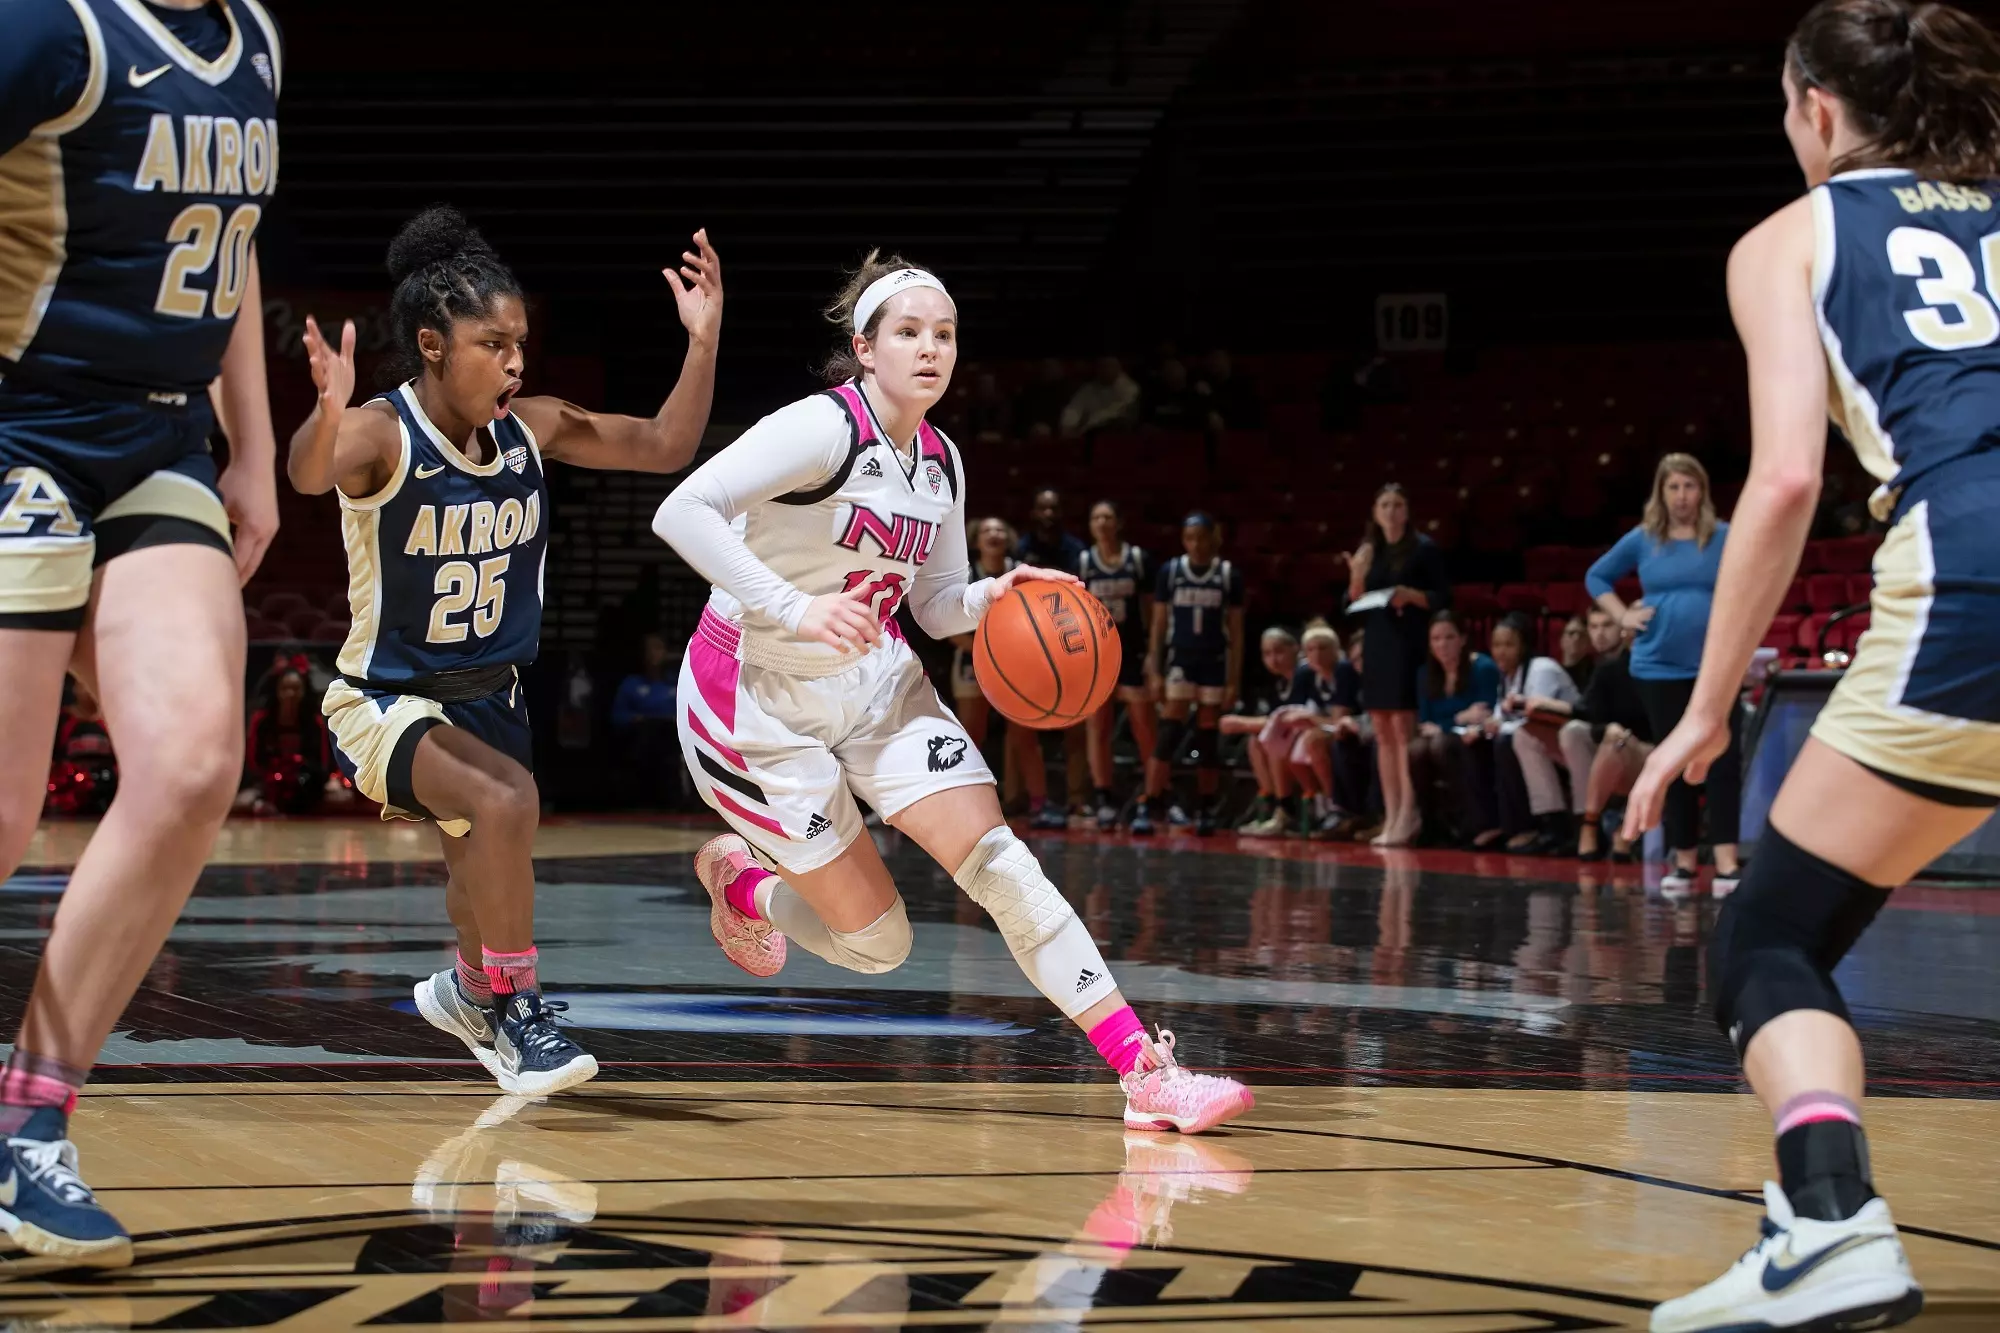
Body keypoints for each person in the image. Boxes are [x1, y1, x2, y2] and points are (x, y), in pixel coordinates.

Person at [652, 251, 1252, 1134]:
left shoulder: (939, 461)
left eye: (944, 334)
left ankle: (1144, 1070)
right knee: (878, 945)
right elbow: (683, 510)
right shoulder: (822, 428)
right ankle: (743, 885)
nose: (930, 349)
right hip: (751, 697)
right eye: (908, 332)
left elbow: (932, 607)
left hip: (873, 678)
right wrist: (793, 605)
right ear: (865, 346)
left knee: (1004, 865)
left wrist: (993, 596)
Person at [1633, 5, 2000, 1329]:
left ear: (1816, 109)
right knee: (1813, 923)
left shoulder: (1792, 238)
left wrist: (1703, 708)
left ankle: (1835, 1218)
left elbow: (1786, 478)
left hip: (1972, 575)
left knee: (1766, 936)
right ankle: (1808, 1225)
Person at [289, 207, 723, 1099]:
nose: (516, 359)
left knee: (477, 878)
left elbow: (667, 444)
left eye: (520, 341)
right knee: (503, 799)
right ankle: (521, 1011)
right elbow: (306, 472)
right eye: (493, 342)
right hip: (387, 700)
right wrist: (326, 411)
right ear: (433, 346)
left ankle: (470, 988)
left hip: (495, 698)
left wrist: (703, 343)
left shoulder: (532, 427)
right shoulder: (381, 432)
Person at [0, 0, 284, 1264]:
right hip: (22, 425)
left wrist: (259, 450)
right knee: (4, 819)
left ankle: (30, 1132)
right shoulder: (43, 26)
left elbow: (229, 245)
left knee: (189, 765)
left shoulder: (256, 37)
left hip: (161, 435)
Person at [1588, 454, 1743, 891]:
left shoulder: (1723, 536)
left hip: (1715, 663)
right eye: (1673, 487)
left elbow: (1755, 578)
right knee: (1674, 760)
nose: (1681, 496)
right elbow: (1597, 577)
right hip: (1658, 666)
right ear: (1661, 493)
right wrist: (1623, 616)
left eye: (1689, 487)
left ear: (1702, 491)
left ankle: (1727, 861)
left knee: (1723, 759)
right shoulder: (1644, 539)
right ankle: (1685, 861)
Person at [1342, 484, 1451, 847]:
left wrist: (1411, 596)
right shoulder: (1369, 550)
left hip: (1408, 641)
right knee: (1383, 733)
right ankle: (1391, 815)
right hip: (1376, 640)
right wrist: (1356, 575)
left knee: (1404, 732)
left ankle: (1410, 812)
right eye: (1384, 505)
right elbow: (1351, 601)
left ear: (1407, 511)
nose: (1391, 511)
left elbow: (1442, 597)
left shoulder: (1423, 549)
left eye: (1398, 505)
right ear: (1374, 511)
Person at [1137, 512, 1245, 836]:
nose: (1197, 544)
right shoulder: (1171, 572)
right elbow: (1158, 626)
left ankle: (1205, 806)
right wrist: (1154, 669)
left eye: (1202, 537)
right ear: (1184, 540)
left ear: (1215, 538)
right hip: (1180, 660)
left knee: (1207, 739)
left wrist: (1233, 680)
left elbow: (1237, 634)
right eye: (1191, 538)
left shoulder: (1227, 575)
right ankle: (1151, 800)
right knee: (1168, 734)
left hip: (1213, 662)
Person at [1078, 501, 1156, 830]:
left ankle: (1151, 798)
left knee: (1144, 728)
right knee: (1098, 727)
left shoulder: (1137, 559)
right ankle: (1104, 797)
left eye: (1108, 516)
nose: (1102, 522)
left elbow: (1151, 611)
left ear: (1118, 522)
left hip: (1134, 653)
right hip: (1098, 656)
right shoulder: (1084, 561)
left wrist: (1153, 653)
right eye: (1096, 517)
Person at [1488, 613, 1585, 852]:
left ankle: (1542, 826)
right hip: (1546, 742)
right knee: (1492, 743)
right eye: (1497, 645)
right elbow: (1500, 718)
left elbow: (1536, 716)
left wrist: (1497, 725)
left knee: (1513, 740)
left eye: (1509, 644)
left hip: (1574, 739)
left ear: (1524, 646)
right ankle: (1543, 825)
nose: (1501, 652)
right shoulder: (1506, 677)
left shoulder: (1542, 669)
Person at [1408, 611, 1502, 846]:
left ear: (1462, 639)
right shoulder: (1425, 673)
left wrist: (1446, 724)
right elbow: (1425, 721)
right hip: (1445, 736)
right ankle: (1431, 823)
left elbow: (1484, 712)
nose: (1442, 645)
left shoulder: (1482, 668)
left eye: (1449, 637)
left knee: (1441, 744)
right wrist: (1458, 718)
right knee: (1416, 750)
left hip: (1478, 737)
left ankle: (1469, 823)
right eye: (1436, 639)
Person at [1229, 626, 1313, 836]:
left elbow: (1286, 720)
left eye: (1279, 651)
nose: (1273, 659)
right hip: (1298, 741)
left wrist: (1241, 723)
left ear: (1296, 648)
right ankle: (1275, 805)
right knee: (1255, 742)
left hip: (1314, 736)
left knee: (1273, 741)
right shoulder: (1279, 682)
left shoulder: (1304, 673)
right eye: (1267, 654)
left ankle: (1285, 810)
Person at [240, 666, 335, 816]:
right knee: (242, 802)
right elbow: (253, 763)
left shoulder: (315, 723)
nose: (290, 694)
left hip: (306, 786)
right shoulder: (261, 721)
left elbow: (322, 763)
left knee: (341, 799)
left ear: (304, 691)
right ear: (277, 691)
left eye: (296, 688)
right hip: (267, 785)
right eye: (285, 688)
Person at [611, 633, 681, 809]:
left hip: (671, 748)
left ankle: (675, 804)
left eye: (658, 648)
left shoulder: (678, 683)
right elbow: (617, 716)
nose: (653, 653)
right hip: (641, 748)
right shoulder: (631, 684)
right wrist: (636, 719)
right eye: (649, 649)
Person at [46, 684, 116, 819]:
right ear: (74, 689)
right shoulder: (63, 719)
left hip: (107, 788)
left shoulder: (111, 718)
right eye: (80, 686)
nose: (85, 690)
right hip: (70, 791)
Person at [1058, 356, 1140, 438]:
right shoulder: (1089, 388)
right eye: (1101, 366)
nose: (1104, 370)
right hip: (1084, 434)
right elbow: (1074, 408)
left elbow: (1113, 414)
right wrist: (1069, 425)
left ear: (1118, 367)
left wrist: (1085, 423)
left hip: (1112, 435)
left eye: (1108, 366)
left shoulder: (1130, 388)